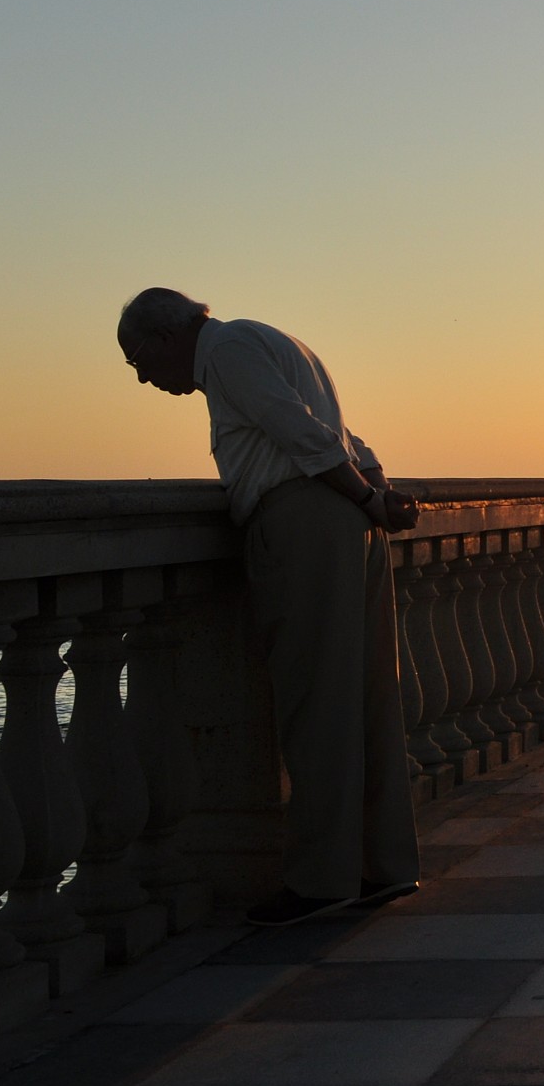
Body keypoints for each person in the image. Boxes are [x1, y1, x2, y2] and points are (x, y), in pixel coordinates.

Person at [116, 288, 421, 925]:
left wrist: (368, 501)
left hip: (305, 522)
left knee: (317, 702)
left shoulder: (225, 351)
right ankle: (382, 865)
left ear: (168, 336)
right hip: (345, 524)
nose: (143, 378)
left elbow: (301, 434)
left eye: (138, 360)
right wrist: (378, 492)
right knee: (367, 697)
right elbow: (340, 434)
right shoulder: (273, 341)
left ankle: (321, 881)